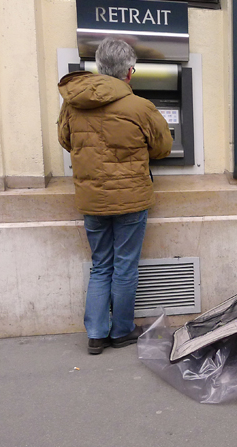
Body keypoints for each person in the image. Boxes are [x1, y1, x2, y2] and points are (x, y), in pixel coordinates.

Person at [58, 38, 173, 355]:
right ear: (129, 72)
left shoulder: (73, 103)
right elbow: (163, 148)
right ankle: (121, 330)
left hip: (92, 198)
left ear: (98, 67)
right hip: (130, 199)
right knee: (124, 266)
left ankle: (96, 334)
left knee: (101, 266)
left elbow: (66, 141)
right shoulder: (139, 107)